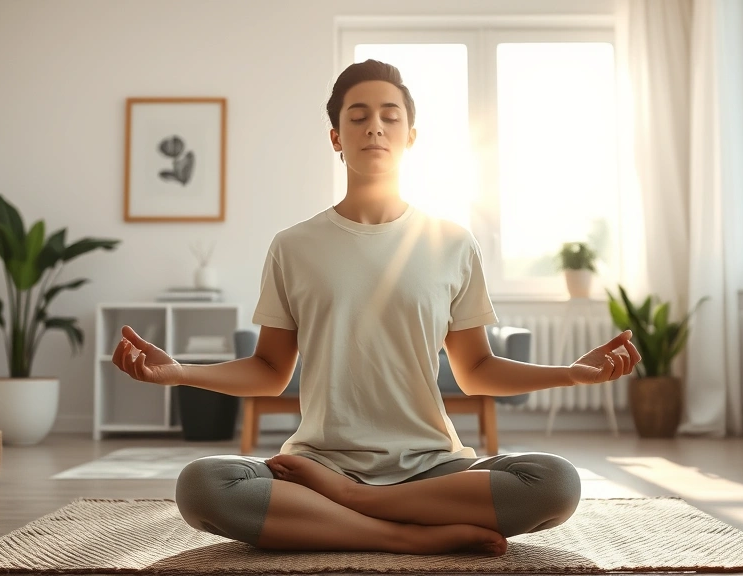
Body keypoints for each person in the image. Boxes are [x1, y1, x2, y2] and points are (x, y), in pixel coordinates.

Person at [111, 59, 641, 557]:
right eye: (358, 116)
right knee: (203, 486)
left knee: (555, 482)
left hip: (431, 467)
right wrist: (180, 372)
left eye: (390, 116)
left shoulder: (452, 243)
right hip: (317, 464)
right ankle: (405, 537)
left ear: (411, 136)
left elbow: (477, 369)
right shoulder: (293, 246)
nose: (375, 128)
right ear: (336, 138)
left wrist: (570, 373)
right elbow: (270, 370)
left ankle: (356, 507)